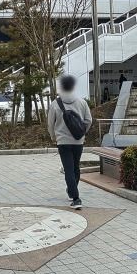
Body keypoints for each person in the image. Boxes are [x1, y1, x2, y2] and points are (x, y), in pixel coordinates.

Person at [47, 74, 92, 210]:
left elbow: (50, 124)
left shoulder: (55, 104)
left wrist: (53, 137)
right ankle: (72, 191)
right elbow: (88, 120)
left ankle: (76, 198)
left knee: (68, 169)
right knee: (75, 167)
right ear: (73, 87)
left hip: (63, 142)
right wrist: (82, 133)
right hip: (78, 141)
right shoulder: (82, 102)